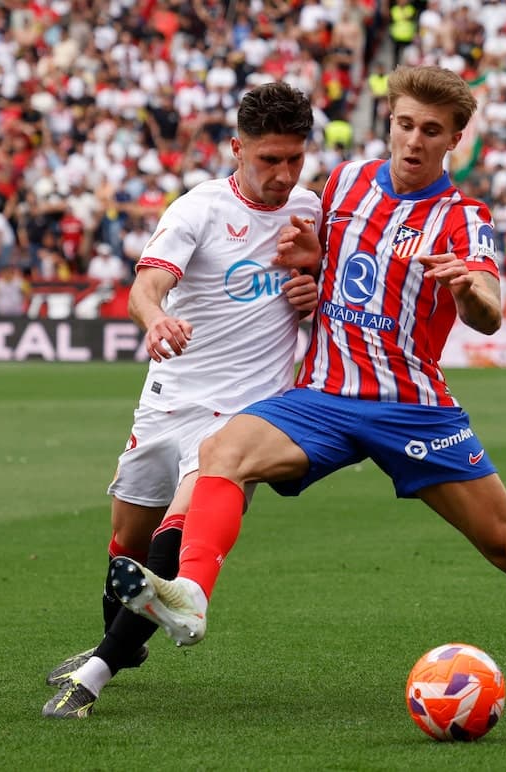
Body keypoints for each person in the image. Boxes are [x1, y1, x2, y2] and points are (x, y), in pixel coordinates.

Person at [110, 66, 506, 703]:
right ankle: (192, 596)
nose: (413, 141)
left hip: (412, 408)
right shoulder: (345, 184)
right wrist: (310, 265)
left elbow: (490, 311)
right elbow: (324, 260)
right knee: (221, 452)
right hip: (325, 398)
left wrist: (469, 291)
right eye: (405, 125)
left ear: (454, 140)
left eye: (432, 131)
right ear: (389, 123)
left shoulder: (463, 217)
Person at [42, 81, 322, 718]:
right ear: (236, 150)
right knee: (126, 544)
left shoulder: (311, 209)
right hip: (172, 399)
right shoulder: (196, 209)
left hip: (249, 412)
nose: (283, 175)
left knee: (182, 531)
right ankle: (124, 639)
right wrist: (155, 319)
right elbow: (147, 287)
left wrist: (314, 292)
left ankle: (94, 674)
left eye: (293, 159)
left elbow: (335, 290)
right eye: (268, 160)